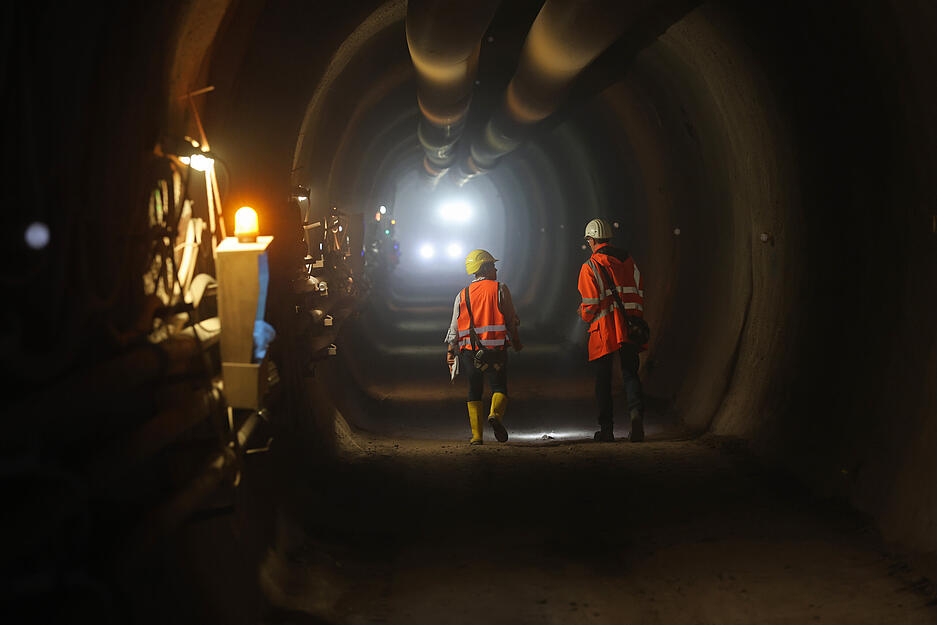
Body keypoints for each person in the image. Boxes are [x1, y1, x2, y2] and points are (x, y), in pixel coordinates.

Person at [578, 218, 646, 442]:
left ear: (591, 240)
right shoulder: (628, 259)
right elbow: (639, 288)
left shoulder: (590, 266)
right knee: (630, 374)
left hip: (605, 329)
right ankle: (636, 417)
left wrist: (583, 313)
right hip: (629, 326)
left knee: (603, 381)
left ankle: (606, 430)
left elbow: (591, 303)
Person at [445, 249, 523, 445]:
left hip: (470, 353)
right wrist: (516, 341)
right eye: (493, 265)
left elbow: (454, 326)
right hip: (496, 351)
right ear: (485, 268)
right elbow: (511, 320)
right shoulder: (500, 289)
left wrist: (450, 351)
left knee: (474, 390)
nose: (496, 269)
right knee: (499, 387)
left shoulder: (462, 295)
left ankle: (477, 436)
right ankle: (495, 415)